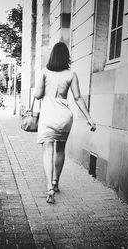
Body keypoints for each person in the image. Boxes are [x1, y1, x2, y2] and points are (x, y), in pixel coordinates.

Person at [34, 42, 96, 204]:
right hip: (64, 117)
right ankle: (55, 182)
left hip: (48, 116)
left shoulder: (44, 72)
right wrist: (89, 118)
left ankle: (49, 188)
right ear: (66, 57)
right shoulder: (71, 74)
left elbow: (38, 95)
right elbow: (77, 98)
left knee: (48, 151)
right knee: (60, 149)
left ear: (52, 56)